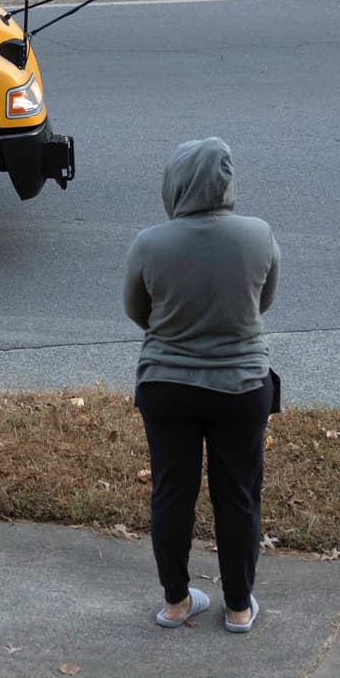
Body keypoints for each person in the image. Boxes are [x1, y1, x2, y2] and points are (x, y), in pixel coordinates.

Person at [123, 138, 280, 635]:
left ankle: (174, 603)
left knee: (172, 492)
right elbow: (264, 301)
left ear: (175, 183)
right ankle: (237, 608)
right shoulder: (258, 235)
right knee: (237, 494)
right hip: (241, 386)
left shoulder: (151, 242)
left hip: (167, 385)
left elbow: (137, 311)